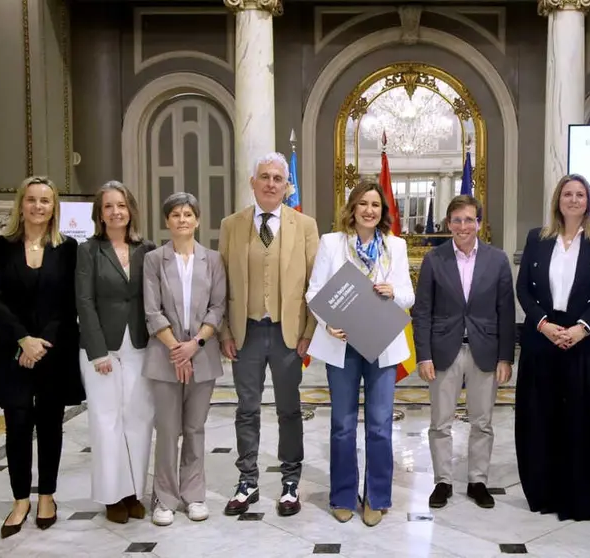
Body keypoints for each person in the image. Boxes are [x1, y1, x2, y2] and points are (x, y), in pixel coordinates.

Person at [305, 180, 415, 526]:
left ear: (383, 212)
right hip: (343, 343)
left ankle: (377, 497)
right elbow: (314, 292)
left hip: (381, 343)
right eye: (363, 203)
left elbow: (408, 297)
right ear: (352, 208)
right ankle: (341, 495)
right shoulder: (332, 243)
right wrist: (328, 323)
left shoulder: (395, 246)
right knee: (342, 424)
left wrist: (392, 290)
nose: (369, 210)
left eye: (376, 205)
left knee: (381, 425)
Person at [514, 173, 590, 521]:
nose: (574, 200)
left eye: (580, 194)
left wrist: (582, 328)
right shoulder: (537, 238)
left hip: (583, 341)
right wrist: (544, 325)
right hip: (542, 338)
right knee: (541, 418)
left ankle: (579, 497)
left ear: (588, 200)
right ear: (557, 200)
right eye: (567, 194)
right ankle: (543, 492)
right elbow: (524, 290)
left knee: (581, 420)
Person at [219, 152, 320, 517]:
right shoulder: (231, 225)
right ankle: (247, 481)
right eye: (264, 177)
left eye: (278, 178)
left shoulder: (304, 226)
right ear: (253, 182)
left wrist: (309, 330)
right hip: (245, 333)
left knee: (289, 410)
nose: (271, 183)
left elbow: (315, 284)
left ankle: (290, 482)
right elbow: (221, 283)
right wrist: (224, 330)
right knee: (246, 410)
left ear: (286, 185)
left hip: (287, 334)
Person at [0, 176, 84, 538]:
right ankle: (19, 500)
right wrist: (23, 340)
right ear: (21, 204)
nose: (38, 206)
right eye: (32, 200)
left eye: (45, 200)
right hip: (13, 350)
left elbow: (68, 302)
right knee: (17, 425)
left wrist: (42, 342)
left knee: (49, 425)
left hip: (54, 351)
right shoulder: (0, 247)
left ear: (54, 207)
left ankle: (47, 495)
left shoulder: (68, 248)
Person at [412, 194, 515, 510]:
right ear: (448, 224)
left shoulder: (497, 260)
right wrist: (424, 355)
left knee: (482, 422)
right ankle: (442, 481)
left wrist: (505, 357)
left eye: (469, 219)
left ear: (479, 223)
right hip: (444, 351)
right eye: (456, 220)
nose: (463, 226)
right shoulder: (434, 259)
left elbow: (506, 311)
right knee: (440, 422)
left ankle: (477, 480)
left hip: (485, 350)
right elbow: (423, 311)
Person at [142, 192, 227, 527]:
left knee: (194, 428)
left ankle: (194, 494)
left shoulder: (214, 260)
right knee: (167, 429)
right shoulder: (154, 260)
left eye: (188, 214)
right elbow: (151, 309)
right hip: (164, 356)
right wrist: (177, 348)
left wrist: (195, 344)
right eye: (175, 214)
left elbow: (218, 307)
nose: (182, 220)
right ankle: (164, 498)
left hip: (202, 356)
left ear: (198, 220)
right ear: (167, 221)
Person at [74, 181, 156, 524]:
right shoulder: (89, 250)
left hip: (139, 344)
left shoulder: (147, 248)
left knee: (138, 419)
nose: (115, 211)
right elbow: (84, 301)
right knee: (106, 422)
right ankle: (111, 496)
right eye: (108, 206)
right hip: (101, 348)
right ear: (99, 213)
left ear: (130, 209)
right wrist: (97, 352)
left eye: (121, 205)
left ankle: (133, 492)